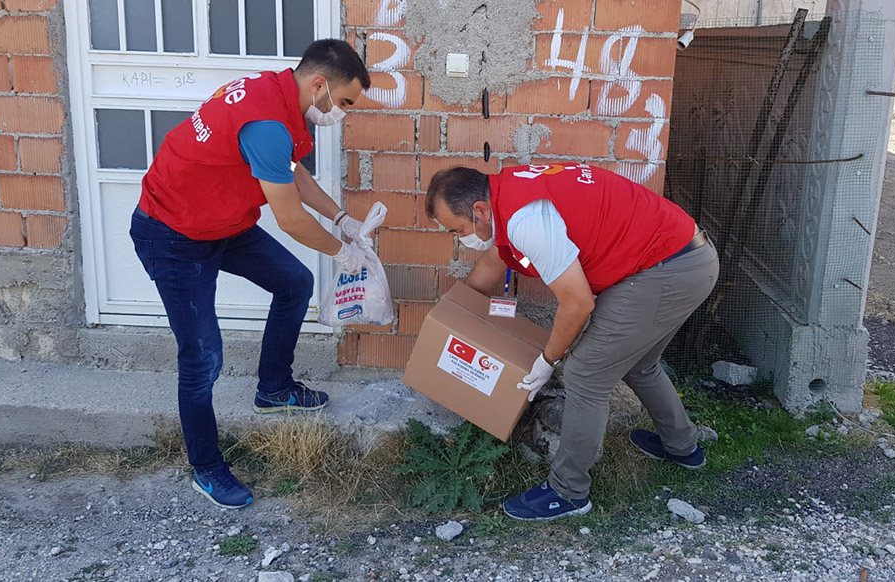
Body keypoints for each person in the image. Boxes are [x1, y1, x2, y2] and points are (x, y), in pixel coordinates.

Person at [130, 39, 373, 510]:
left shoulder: (276, 94)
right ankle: (206, 467)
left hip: (221, 222)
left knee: (294, 283)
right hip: (174, 234)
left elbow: (291, 172)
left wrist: (341, 218)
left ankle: (274, 389)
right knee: (203, 358)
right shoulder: (266, 124)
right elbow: (291, 220)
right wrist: (342, 252)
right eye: (344, 102)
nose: (342, 113)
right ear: (319, 85)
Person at [425, 163, 720, 521]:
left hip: (668, 268)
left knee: (584, 374)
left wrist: (547, 360)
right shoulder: (509, 192)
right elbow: (493, 263)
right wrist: (455, 313)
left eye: (458, 230)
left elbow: (578, 303)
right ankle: (683, 447)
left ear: (479, 211)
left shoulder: (526, 221)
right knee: (640, 364)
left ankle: (568, 492)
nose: (461, 239)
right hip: (683, 257)